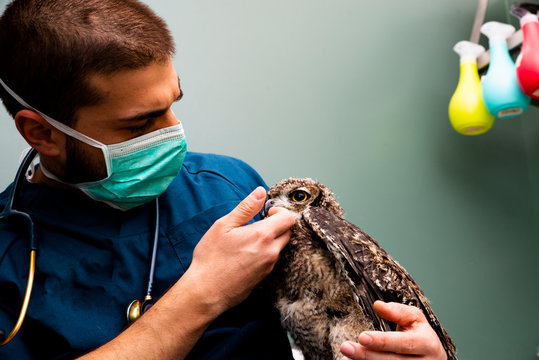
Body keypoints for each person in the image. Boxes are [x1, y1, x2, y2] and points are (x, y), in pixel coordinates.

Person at [0, 0, 449, 359]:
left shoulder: (229, 188)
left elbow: (333, 322)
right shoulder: (8, 256)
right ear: (41, 132)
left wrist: (403, 349)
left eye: (174, 102)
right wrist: (202, 292)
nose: (173, 133)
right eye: (139, 125)